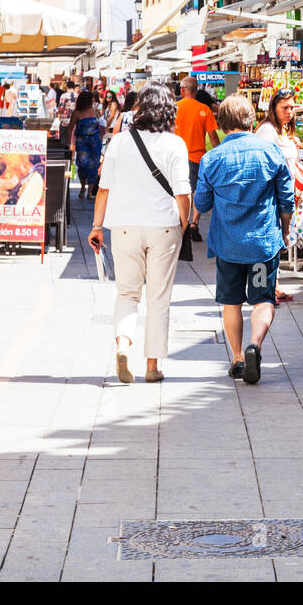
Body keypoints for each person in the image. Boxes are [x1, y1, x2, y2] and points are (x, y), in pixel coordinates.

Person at [88, 84, 190, 385]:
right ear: (169, 110)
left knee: (127, 293)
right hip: (163, 227)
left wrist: (96, 226)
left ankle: (122, 345)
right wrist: (185, 224)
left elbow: (103, 187)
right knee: (158, 297)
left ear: (140, 109)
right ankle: (152, 365)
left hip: (123, 227)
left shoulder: (120, 142)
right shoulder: (175, 144)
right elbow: (183, 193)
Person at [194, 93, 293, 385]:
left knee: (231, 302)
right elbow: (286, 200)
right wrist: (284, 230)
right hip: (263, 241)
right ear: (251, 120)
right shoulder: (271, 152)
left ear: (222, 124)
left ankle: (237, 357)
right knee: (263, 299)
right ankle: (255, 345)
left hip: (227, 244)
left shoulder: (211, 158)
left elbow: (201, 204)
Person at [257, 88, 303, 303]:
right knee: (272, 240)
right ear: (274, 108)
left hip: (285, 192)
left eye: (292, 107)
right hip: (272, 194)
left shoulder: (283, 130)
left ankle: (274, 286)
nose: (289, 112)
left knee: (279, 238)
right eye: (284, 108)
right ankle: (266, 288)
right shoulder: (267, 131)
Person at [174, 76, 219, 242]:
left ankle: (180, 221)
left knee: (177, 190)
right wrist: (220, 153)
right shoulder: (204, 109)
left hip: (175, 157)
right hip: (197, 157)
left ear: (182, 90)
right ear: (197, 90)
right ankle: (194, 222)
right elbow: (213, 136)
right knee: (195, 191)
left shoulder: (174, 108)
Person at [69, 91, 105, 199]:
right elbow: (70, 128)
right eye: (91, 99)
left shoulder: (94, 110)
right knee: (83, 165)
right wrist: (69, 143)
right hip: (82, 143)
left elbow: (103, 123)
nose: (93, 101)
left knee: (94, 166)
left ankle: (90, 191)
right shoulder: (77, 113)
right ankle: (83, 186)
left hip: (95, 143)